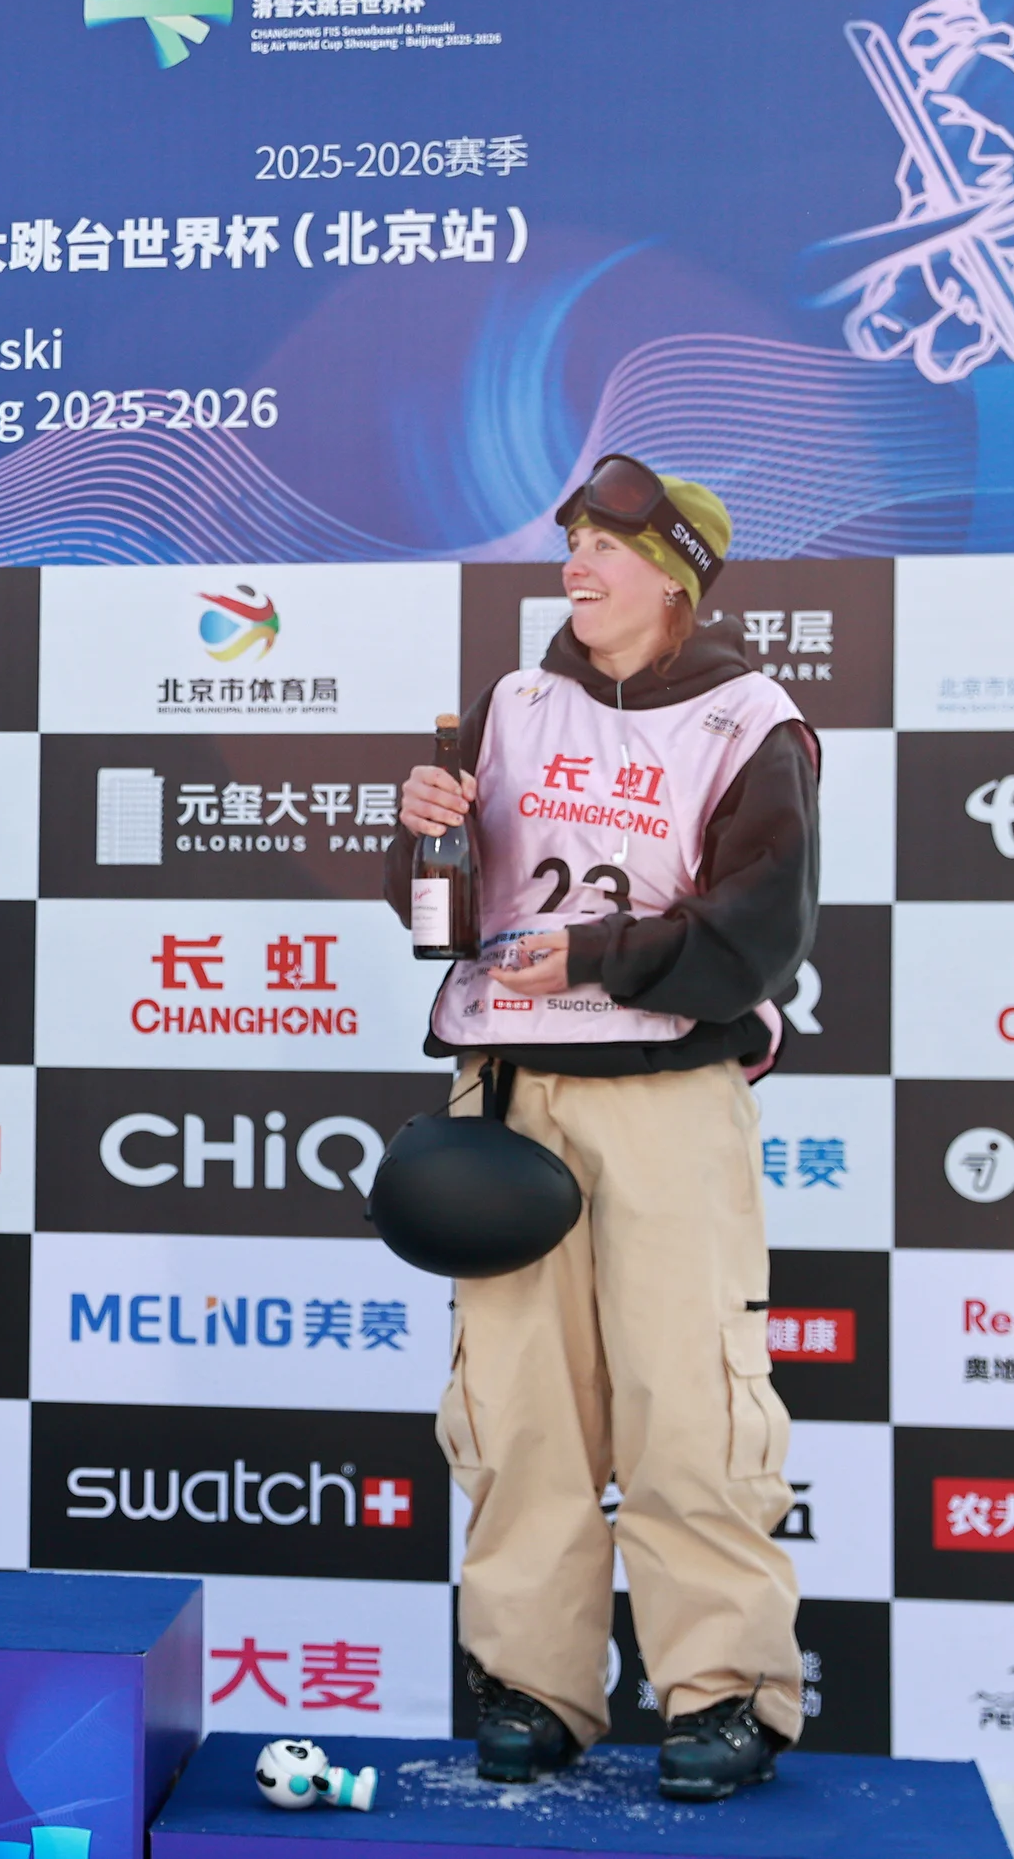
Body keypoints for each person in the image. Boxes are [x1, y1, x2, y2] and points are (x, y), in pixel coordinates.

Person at [385, 455, 817, 1802]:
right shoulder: (510, 704)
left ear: (676, 575)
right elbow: (436, 926)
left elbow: (760, 937)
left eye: (608, 549)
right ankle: (534, 1687)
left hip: (669, 1097)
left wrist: (591, 956)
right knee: (517, 1406)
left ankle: (727, 1693)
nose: (577, 567)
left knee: (691, 1403)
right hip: (510, 1098)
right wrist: (419, 841)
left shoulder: (751, 719)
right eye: (572, 542)